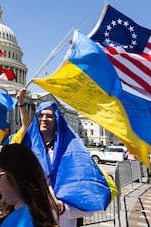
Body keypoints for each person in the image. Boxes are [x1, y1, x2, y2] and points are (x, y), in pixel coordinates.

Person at [14, 88, 117, 227]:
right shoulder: (31, 144)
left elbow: (80, 181)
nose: (44, 119)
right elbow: (26, 126)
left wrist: (61, 206)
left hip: (62, 215)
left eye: (49, 116)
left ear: (56, 119)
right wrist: (21, 104)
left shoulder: (71, 148)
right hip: (33, 212)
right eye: (41, 115)